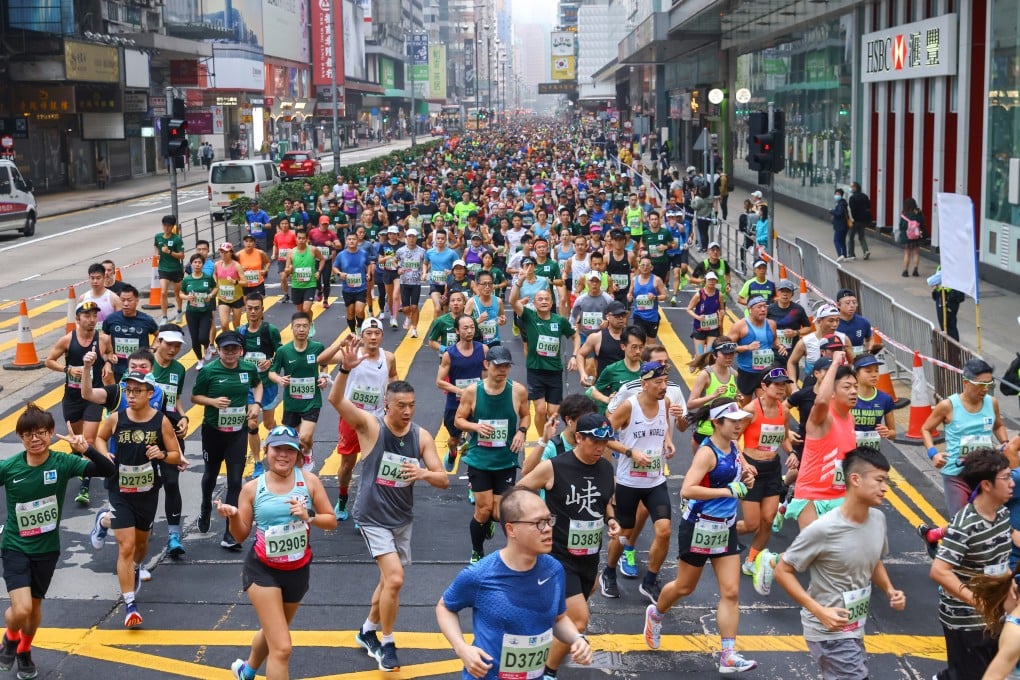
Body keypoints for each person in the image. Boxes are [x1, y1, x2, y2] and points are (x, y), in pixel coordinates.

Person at [329, 336, 448, 672]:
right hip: (372, 516)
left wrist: (423, 473)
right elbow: (336, 400)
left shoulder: (421, 436)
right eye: (401, 406)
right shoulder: (370, 427)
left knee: (386, 581)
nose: (407, 411)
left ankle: (367, 630)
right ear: (386, 404)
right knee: (394, 579)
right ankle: (388, 641)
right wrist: (343, 370)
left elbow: (443, 479)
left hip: (402, 518)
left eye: (412, 405)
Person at [642, 399, 759, 674]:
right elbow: (687, 490)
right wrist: (729, 491)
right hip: (698, 526)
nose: (739, 426)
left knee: (730, 591)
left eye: (741, 421)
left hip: (725, 527)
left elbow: (741, 476)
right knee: (685, 587)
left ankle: (728, 653)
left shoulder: (733, 446)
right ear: (717, 423)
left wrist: (747, 478)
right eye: (733, 422)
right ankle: (656, 613)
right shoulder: (707, 453)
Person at [0, 404, 115, 679]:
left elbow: (108, 471)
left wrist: (85, 447)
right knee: (22, 607)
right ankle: (10, 638)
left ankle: (24, 651)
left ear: (51, 433)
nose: (35, 439)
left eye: (41, 433)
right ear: (20, 437)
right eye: (28, 434)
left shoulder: (63, 463)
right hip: (15, 546)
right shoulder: (10, 467)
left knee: (35, 609)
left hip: (47, 549)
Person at [772, 447, 906, 680]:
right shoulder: (824, 529)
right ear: (855, 479)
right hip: (827, 631)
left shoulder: (878, 519)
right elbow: (783, 570)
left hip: (854, 623)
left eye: (886, 481)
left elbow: (873, 559)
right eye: (879, 480)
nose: (885, 488)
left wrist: (890, 589)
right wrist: (819, 611)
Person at [215, 426, 337, 680]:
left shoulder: (309, 481)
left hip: (297, 571)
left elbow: (331, 520)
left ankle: (246, 670)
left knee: (273, 632)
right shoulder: (252, 489)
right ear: (266, 451)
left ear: (298, 455)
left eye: (289, 450)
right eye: (277, 449)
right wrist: (233, 517)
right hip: (262, 571)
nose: (283, 455)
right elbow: (239, 536)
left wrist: (309, 516)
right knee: (282, 648)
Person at [435, 489, 594, 680]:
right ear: (511, 530)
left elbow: (559, 619)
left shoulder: (554, 570)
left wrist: (577, 639)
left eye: (549, 520)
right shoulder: (480, 575)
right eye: (538, 523)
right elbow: (445, 607)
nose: (548, 528)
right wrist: (462, 649)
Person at [512, 413, 618, 678]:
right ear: (578, 438)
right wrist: (539, 519)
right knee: (579, 619)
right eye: (595, 442)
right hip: (559, 557)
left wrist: (611, 519)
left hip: (589, 556)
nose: (600, 448)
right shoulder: (555, 467)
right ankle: (546, 672)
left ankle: (546, 637)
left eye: (605, 442)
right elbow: (521, 489)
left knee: (578, 600)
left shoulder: (605, 467)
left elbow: (605, 499)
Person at [94, 371, 182, 628]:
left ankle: (103, 521)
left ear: (150, 394)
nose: (131, 395)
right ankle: (130, 604)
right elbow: (100, 437)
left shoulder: (161, 421)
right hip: (119, 489)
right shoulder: (116, 418)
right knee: (127, 545)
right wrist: (104, 454)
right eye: (128, 390)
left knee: (141, 546)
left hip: (147, 491)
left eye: (137, 391)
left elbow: (176, 455)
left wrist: (162, 453)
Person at [929, 449, 1013, 680]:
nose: (1012, 483)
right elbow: (939, 571)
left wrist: (1010, 598)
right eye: (1005, 477)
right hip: (964, 620)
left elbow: (999, 563)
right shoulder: (965, 524)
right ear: (986, 485)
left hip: (993, 616)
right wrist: (976, 601)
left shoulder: (1002, 514)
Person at [603, 362, 676, 602]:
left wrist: (667, 442)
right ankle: (609, 571)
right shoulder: (628, 407)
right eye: (658, 383)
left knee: (664, 531)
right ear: (644, 384)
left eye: (665, 382)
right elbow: (604, 438)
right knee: (624, 533)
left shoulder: (665, 403)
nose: (663, 387)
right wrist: (630, 452)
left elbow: (663, 425)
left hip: (655, 480)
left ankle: (650, 580)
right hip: (629, 482)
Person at [454, 346, 531, 563]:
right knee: (483, 508)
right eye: (498, 365)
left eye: (506, 366)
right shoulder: (472, 391)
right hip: (480, 458)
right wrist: (476, 428)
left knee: (498, 513)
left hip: (505, 459)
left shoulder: (518, 391)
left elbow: (526, 416)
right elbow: (458, 420)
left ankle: (488, 522)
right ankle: (477, 551)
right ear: (487, 365)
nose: (502, 370)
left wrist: (521, 432)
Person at [191, 331, 263, 551]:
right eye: (226, 349)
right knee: (211, 475)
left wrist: (256, 404)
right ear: (218, 350)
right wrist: (213, 401)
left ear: (240, 351)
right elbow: (195, 397)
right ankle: (205, 507)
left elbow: (257, 384)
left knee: (234, 480)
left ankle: (230, 533)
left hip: (237, 432)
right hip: (213, 431)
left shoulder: (248, 368)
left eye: (234, 349)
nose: (230, 354)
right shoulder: (209, 371)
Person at [44, 301, 113, 507]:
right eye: (87, 315)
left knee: (89, 439)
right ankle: (78, 460)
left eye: (94, 315)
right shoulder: (67, 340)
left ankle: (85, 485)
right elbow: (49, 360)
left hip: (92, 396)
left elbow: (109, 353)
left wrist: (108, 363)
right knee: (76, 440)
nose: (92, 319)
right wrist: (67, 371)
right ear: (78, 319)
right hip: (72, 397)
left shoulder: (103, 339)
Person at [921, 358, 1009, 516]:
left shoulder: (992, 403)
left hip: (985, 472)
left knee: (986, 517)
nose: (985, 389)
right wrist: (933, 453)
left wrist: (1005, 443)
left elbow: (998, 425)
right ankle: (934, 535)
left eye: (989, 385)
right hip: (956, 474)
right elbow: (926, 429)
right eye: (981, 384)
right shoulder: (948, 406)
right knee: (961, 521)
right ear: (966, 383)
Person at [331, 317, 397, 520]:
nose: (374, 337)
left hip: (376, 418)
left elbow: (393, 376)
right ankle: (342, 498)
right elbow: (323, 359)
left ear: (382, 336)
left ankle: (364, 508)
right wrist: (341, 344)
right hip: (351, 416)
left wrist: (391, 397)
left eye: (377, 334)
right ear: (362, 335)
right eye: (369, 333)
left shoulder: (388, 357)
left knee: (373, 465)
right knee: (347, 464)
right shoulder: (352, 353)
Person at [737, 367, 796, 579]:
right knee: (751, 524)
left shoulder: (784, 411)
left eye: (784, 384)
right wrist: (744, 464)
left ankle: (751, 560)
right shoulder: (751, 410)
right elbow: (734, 439)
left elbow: (784, 437)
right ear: (764, 386)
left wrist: (792, 453)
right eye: (777, 384)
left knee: (768, 519)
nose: (782, 388)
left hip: (772, 469)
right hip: (751, 469)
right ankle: (722, 532)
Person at [269, 311, 341, 460]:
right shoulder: (283, 351)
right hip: (291, 403)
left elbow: (324, 365)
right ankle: (298, 467)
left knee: (305, 438)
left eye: (305, 326)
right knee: (294, 441)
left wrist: (323, 377)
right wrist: (279, 379)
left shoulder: (317, 347)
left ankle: (307, 454)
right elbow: (271, 372)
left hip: (312, 401)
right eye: (298, 326)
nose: (301, 329)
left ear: (310, 328)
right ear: (292, 328)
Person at [436, 315, 488, 472]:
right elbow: (439, 382)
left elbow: (486, 374)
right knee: (454, 439)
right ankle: (452, 453)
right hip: (456, 403)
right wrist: (461, 391)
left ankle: (477, 469)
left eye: (472, 327)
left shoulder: (483, 350)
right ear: (457, 331)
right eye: (465, 328)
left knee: (482, 437)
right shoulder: (449, 354)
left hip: (478, 402)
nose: (470, 331)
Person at [726, 296, 787, 401]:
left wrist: (780, 346)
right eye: (759, 307)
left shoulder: (771, 324)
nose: (763, 309)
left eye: (765, 306)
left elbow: (774, 340)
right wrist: (747, 347)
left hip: (766, 371)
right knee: (747, 411)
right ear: (750, 309)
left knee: (767, 404)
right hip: (747, 372)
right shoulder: (740, 326)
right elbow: (727, 347)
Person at [101, 284, 159, 382]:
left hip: (140, 369)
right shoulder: (111, 319)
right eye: (123, 300)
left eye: (129, 300)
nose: (126, 303)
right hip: (117, 368)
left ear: (137, 301)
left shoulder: (146, 320)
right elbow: (103, 338)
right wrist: (109, 355)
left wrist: (152, 350)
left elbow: (159, 335)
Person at [334, 231, 374, 335]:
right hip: (347, 289)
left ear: (357, 241)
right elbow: (334, 267)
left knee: (359, 310)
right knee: (350, 313)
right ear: (346, 241)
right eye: (349, 239)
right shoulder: (341, 255)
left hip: (361, 288)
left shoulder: (363, 253)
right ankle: (352, 332)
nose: (351, 241)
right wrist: (339, 273)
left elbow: (369, 264)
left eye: (354, 239)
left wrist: (368, 273)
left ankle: (360, 327)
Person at [181, 253, 217, 367]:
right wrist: (187, 297)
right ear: (191, 264)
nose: (197, 264)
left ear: (202, 264)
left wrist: (210, 295)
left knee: (203, 337)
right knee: (194, 338)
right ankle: (199, 360)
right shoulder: (187, 279)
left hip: (205, 311)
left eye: (199, 262)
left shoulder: (207, 277)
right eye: (195, 262)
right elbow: (181, 293)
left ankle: (206, 347)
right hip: (191, 312)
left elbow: (215, 287)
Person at [154, 215, 185, 324]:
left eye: (169, 226)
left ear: (172, 227)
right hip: (163, 269)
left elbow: (182, 256)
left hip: (176, 269)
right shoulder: (158, 237)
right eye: (164, 225)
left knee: (177, 293)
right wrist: (157, 254)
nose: (166, 228)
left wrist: (170, 252)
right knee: (163, 292)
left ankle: (179, 311)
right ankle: (164, 316)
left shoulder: (177, 239)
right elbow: (156, 247)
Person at [929, 266, 966, 342]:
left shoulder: (948, 265)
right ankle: (951, 347)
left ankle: (952, 349)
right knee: (948, 325)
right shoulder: (945, 265)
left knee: (948, 325)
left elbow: (931, 281)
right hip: (947, 297)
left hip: (948, 298)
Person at [215, 242, 246, 331]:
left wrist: (235, 282)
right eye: (221, 252)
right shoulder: (217, 265)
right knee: (224, 324)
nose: (223, 254)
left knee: (236, 324)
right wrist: (215, 284)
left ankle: (237, 341)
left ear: (231, 253)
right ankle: (227, 341)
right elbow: (215, 276)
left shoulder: (236, 265)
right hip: (223, 298)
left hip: (236, 298)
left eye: (226, 252)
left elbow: (245, 282)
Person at [898, 197, 924, 277]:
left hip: (907, 237)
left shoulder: (904, 214)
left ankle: (905, 271)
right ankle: (915, 270)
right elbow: (922, 222)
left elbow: (901, 226)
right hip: (916, 236)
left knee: (907, 254)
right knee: (916, 253)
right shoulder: (918, 213)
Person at [846, 182, 872, 260]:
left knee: (851, 237)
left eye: (852, 186)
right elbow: (868, 206)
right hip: (863, 220)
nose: (850, 188)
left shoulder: (852, 198)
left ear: (856, 188)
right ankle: (866, 251)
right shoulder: (865, 196)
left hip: (855, 220)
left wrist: (851, 219)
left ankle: (851, 254)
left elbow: (852, 210)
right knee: (862, 237)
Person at [830, 188, 850, 261]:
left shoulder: (841, 204)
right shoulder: (842, 203)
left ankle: (840, 255)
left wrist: (832, 211)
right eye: (835, 194)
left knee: (836, 240)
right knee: (842, 241)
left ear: (841, 195)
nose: (836, 196)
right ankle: (844, 255)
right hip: (844, 225)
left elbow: (839, 214)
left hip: (840, 225)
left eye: (838, 194)